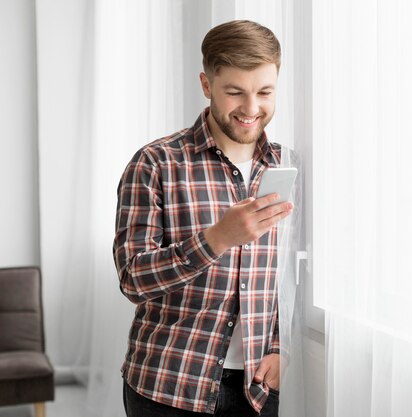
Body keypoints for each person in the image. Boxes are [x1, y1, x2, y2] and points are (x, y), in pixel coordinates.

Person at [113, 20, 295, 417]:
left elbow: (289, 275)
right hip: (167, 388)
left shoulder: (286, 165)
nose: (251, 108)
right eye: (235, 92)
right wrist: (216, 239)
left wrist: (280, 347)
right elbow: (132, 279)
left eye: (264, 92)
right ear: (206, 84)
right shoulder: (155, 164)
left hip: (257, 390)